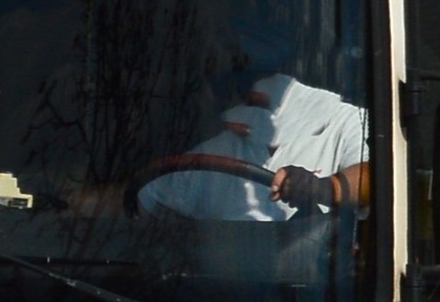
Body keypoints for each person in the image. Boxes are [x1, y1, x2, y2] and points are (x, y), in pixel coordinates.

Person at [135, 56, 374, 221]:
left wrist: (325, 188)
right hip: (208, 285)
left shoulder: (347, 122)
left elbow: (378, 178)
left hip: (314, 286)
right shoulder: (222, 149)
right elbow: (147, 193)